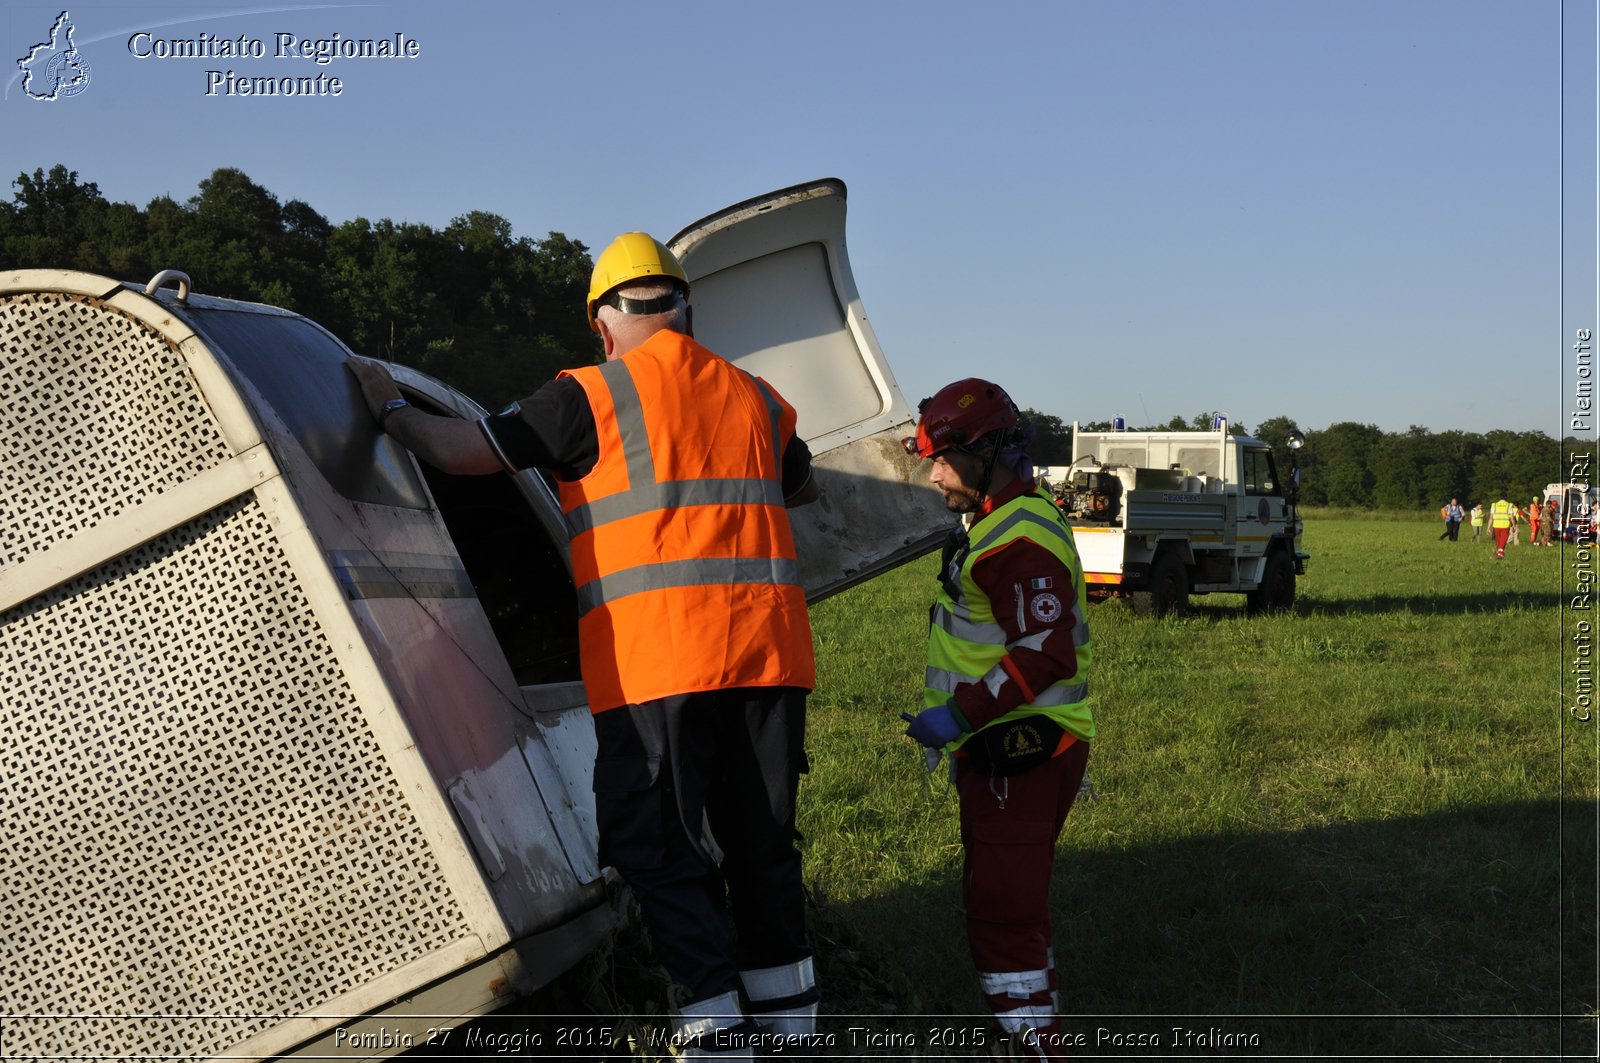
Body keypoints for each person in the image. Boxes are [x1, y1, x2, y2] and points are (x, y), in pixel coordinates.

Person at [346, 232, 822, 1054]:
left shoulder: (590, 396)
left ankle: (716, 1031)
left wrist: (390, 406)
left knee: (657, 844)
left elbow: (465, 452)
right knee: (761, 848)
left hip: (660, 668)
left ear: (603, 324)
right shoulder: (758, 397)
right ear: (685, 309)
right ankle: (791, 1032)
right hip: (769, 662)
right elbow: (801, 479)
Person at [900, 379, 1094, 1061]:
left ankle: (1034, 1048)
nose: (933, 473)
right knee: (1013, 914)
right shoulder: (1008, 516)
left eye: (942, 459)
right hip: (1013, 747)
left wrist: (957, 713)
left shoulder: (1015, 537)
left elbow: (1044, 652)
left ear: (986, 454)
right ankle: (1030, 1034)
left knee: (1003, 920)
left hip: (1024, 749)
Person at [1489, 492, 1516, 559]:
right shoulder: (1509, 505)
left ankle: (1499, 553)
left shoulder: (1494, 505)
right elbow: (1512, 517)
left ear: (1499, 497)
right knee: (1503, 540)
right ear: (1506, 497)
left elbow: (1491, 517)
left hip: (1496, 525)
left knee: (1498, 541)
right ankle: (1500, 552)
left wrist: (1488, 527)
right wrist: (1514, 525)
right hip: (1505, 525)